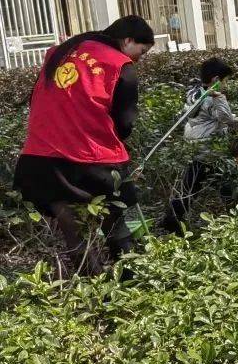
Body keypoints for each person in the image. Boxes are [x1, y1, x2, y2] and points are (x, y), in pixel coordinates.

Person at [13, 15, 156, 275]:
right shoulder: (119, 65)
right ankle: (133, 275)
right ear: (128, 40)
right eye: (142, 52)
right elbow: (124, 124)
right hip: (91, 158)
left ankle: (91, 285)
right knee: (122, 214)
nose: (139, 59)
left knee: (71, 227)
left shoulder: (61, 51)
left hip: (40, 157)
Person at [161, 57, 238, 233]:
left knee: (191, 185)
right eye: (225, 80)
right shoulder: (214, 97)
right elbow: (224, 118)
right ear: (215, 80)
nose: (226, 85)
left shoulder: (194, 92)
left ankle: (172, 220)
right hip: (210, 148)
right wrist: (221, 100)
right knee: (226, 183)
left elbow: (206, 117)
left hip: (195, 144)